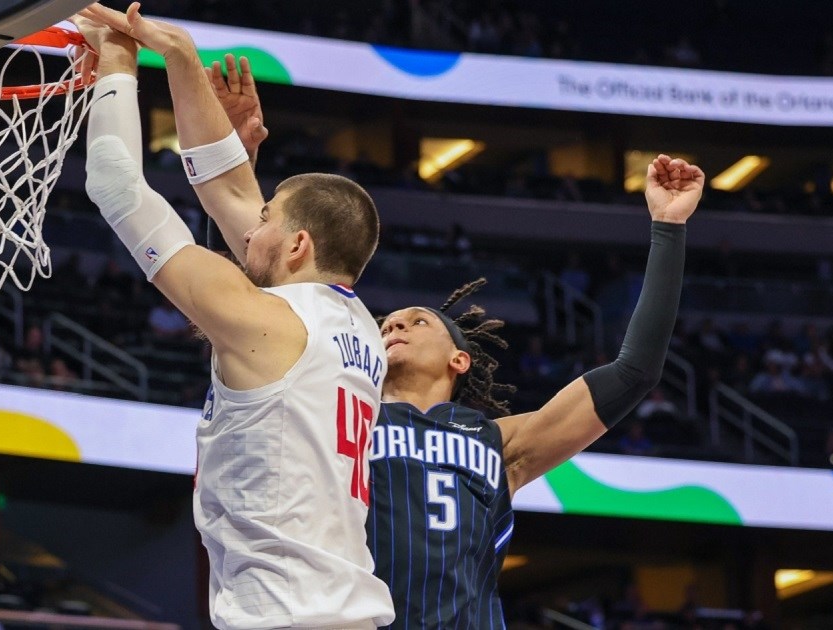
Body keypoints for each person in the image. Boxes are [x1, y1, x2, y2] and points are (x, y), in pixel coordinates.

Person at [73, 6, 393, 627]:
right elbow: (232, 194)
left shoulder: (267, 321)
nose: (253, 226)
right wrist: (183, 63)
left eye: (270, 216)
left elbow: (115, 185)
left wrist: (115, 60)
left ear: (299, 245)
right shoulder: (357, 328)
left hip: (289, 618)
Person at [363, 155, 701, 628]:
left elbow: (635, 371)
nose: (394, 323)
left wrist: (668, 227)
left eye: (417, 320)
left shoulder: (499, 443)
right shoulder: (345, 420)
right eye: (385, 325)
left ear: (459, 360)